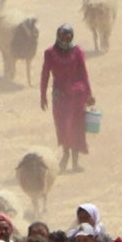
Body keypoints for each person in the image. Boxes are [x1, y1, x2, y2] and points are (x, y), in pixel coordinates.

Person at [39, 25, 95, 172]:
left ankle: (75, 161)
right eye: (63, 37)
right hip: (60, 97)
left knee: (77, 127)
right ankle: (65, 154)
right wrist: (42, 95)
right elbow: (45, 74)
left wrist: (89, 94)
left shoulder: (77, 52)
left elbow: (84, 73)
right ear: (58, 36)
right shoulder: (50, 53)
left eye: (68, 37)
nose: (65, 40)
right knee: (63, 126)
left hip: (77, 95)